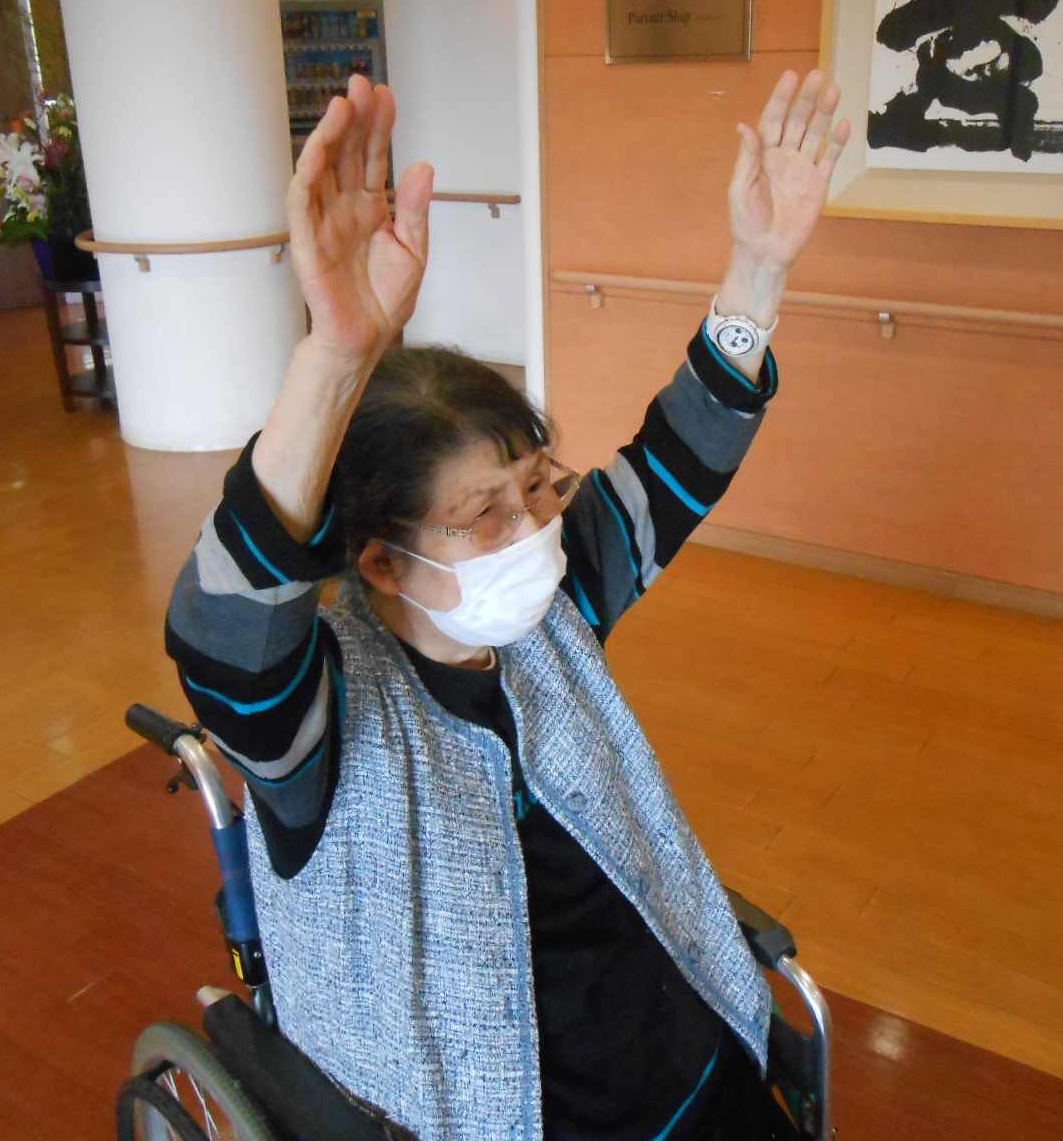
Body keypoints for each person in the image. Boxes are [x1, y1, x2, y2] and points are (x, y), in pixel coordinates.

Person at [166, 70, 850, 1141]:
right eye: (483, 512)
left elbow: (677, 459)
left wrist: (758, 268)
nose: (532, 530)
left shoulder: (550, 606)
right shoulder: (319, 726)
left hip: (677, 1048)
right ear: (381, 561)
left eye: (537, 486)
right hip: (506, 1109)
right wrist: (335, 360)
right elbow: (224, 639)